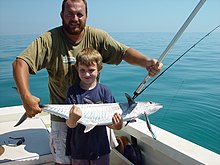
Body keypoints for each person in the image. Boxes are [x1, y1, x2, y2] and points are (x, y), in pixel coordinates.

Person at [12, 0, 163, 164]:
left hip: (96, 114)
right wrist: (25, 97)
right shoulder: (49, 40)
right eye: (69, 14)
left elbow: (123, 52)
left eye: (79, 14)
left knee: (102, 152)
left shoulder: (97, 37)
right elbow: (20, 63)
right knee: (62, 161)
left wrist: (146, 62)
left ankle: (120, 144)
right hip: (63, 116)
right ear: (62, 15)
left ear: (86, 16)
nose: (75, 18)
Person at [65, 48, 123, 165]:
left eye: (91, 70)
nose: (87, 74)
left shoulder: (105, 92)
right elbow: (70, 124)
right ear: (77, 69)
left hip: (100, 148)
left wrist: (118, 124)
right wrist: (73, 118)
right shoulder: (72, 91)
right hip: (79, 149)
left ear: (99, 69)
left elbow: (112, 124)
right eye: (82, 70)